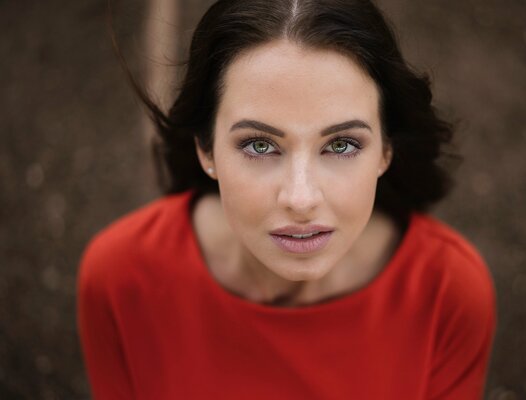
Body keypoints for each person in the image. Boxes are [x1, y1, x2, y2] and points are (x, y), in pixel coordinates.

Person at [77, 0, 496, 399]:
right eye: (260, 146)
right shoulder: (120, 277)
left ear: (386, 150)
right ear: (205, 149)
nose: (300, 198)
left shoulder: (449, 293)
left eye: (342, 144)